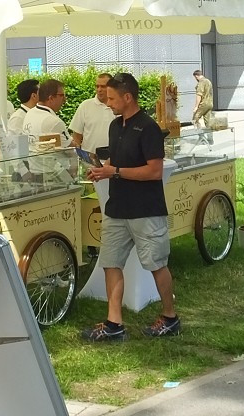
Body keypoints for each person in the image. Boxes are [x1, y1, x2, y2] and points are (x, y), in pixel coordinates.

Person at [82, 73, 179, 342]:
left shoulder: (148, 128)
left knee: (156, 264)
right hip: (117, 209)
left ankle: (170, 317)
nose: (107, 102)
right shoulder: (115, 126)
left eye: (112, 98)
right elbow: (116, 161)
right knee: (110, 263)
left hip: (146, 210)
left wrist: (115, 172)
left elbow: (154, 171)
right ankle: (114, 323)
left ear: (128, 97)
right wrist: (102, 170)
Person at [69, 72, 113, 156]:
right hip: (90, 162)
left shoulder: (119, 107)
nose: (99, 89)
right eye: (97, 86)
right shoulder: (85, 106)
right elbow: (76, 137)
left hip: (113, 162)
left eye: (103, 86)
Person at [22, 78, 70, 145]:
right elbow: (70, 147)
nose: (65, 99)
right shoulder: (54, 122)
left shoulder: (30, 113)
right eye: (62, 95)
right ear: (51, 98)